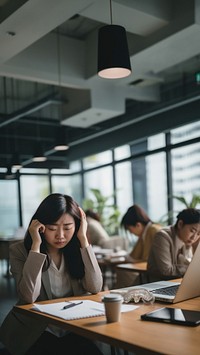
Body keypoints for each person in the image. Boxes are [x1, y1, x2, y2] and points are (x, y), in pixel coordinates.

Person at [0, 193, 103, 355]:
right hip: (37, 329)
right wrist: (36, 245)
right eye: (52, 228)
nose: (60, 236)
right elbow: (29, 296)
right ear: (39, 226)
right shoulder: (20, 251)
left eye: (68, 228)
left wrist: (83, 239)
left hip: (73, 326)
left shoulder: (78, 249)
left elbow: (95, 286)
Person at [147, 208, 200, 281]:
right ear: (180, 224)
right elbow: (166, 270)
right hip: (157, 284)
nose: (194, 237)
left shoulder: (187, 240)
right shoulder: (162, 236)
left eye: (198, 234)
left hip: (176, 282)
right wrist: (193, 269)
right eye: (192, 231)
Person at [115, 204, 161, 288]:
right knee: (122, 271)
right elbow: (133, 256)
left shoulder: (153, 231)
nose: (131, 233)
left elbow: (146, 260)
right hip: (150, 272)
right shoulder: (145, 232)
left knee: (123, 272)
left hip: (155, 274)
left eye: (130, 229)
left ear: (138, 225)